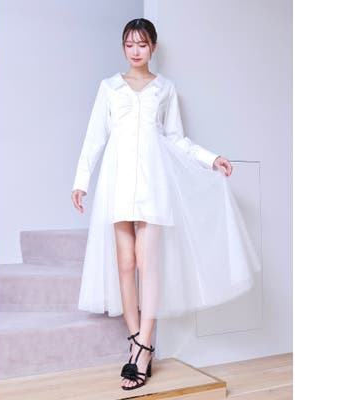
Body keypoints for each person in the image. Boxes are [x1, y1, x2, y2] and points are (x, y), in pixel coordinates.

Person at [71, 18, 261, 391]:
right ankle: (135, 341)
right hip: (117, 182)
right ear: (123, 47)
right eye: (130, 44)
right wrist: (81, 182)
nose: (135, 51)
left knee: (147, 263)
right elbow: (95, 138)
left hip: (153, 182)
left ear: (153, 47)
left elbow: (177, 139)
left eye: (142, 44)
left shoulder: (165, 89)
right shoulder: (109, 88)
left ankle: (145, 346)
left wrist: (211, 159)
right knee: (125, 264)